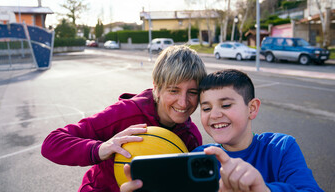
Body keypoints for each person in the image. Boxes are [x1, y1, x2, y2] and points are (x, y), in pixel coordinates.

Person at [120, 69, 323, 192]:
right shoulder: (199, 157)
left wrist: (262, 188)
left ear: (252, 108)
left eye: (225, 105)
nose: (214, 114)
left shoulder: (280, 148)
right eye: (206, 108)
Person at [41, 45, 207, 192]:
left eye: (192, 92)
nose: (184, 102)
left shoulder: (190, 138)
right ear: (157, 88)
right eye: (173, 91)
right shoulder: (125, 114)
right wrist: (100, 149)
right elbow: (52, 143)